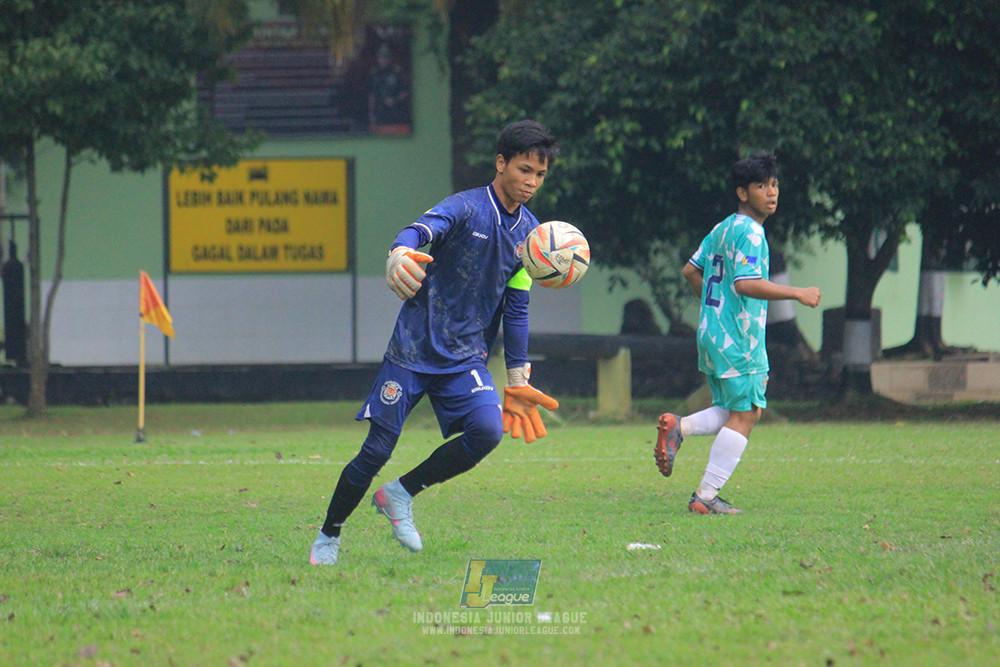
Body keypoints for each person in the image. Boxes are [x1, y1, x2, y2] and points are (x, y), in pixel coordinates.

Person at [311, 120, 561, 565]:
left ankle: (400, 494)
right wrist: (399, 252)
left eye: (540, 175)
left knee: (486, 431)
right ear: (501, 163)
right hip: (412, 351)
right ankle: (329, 535)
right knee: (376, 451)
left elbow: (517, 306)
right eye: (524, 170)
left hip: (466, 357)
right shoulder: (465, 207)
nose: (531, 182)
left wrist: (518, 377)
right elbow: (418, 232)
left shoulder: (533, 237)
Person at [654, 150, 821, 514]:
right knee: (746, 414)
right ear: (743, 193)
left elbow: (689, 270)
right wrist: (797, 292)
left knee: (735, 409)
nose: (772, 192)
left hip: (712, 334)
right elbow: (746, 284)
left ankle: (679, 427)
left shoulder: (722, 228)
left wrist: (714, 310)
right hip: (739, 338)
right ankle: (706, 496)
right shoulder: (752, 233)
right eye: (762, 186)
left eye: (774, 184)